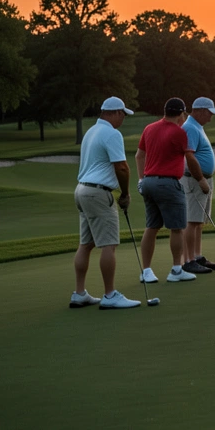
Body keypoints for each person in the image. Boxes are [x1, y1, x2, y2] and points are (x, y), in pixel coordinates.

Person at [71, 96, 141, 309]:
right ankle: (110, 295)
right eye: (123, 115)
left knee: (86, 244)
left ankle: (79, 293)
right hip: (98, 193)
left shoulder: (91, 131)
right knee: (109, 244)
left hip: (82, 190)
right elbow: (122, 167)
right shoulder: (112, 133)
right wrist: (125, 194)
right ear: (116, 112)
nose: (123, 119)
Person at [136, 97, 194, 283]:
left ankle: (146, 272)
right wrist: (200, 179)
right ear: (181, 114)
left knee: (151, 227)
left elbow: (139, 156)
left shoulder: (149, 128)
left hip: (148, 182)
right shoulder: (179, 132)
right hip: (168, 184)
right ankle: (176, 270)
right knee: (177, 228)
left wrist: (141, 179)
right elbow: (190, 158)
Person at [181, 96, 215, 273]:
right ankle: (188, 260)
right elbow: (189, 156)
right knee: (192, 220)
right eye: (209, 113)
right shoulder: (190, 127)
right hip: (194, 180)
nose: (211, 117)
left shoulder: (197, 126)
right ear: (200, 111)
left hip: (202, 179)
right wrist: (200, 179)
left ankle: (197, 256)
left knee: (198, 221)